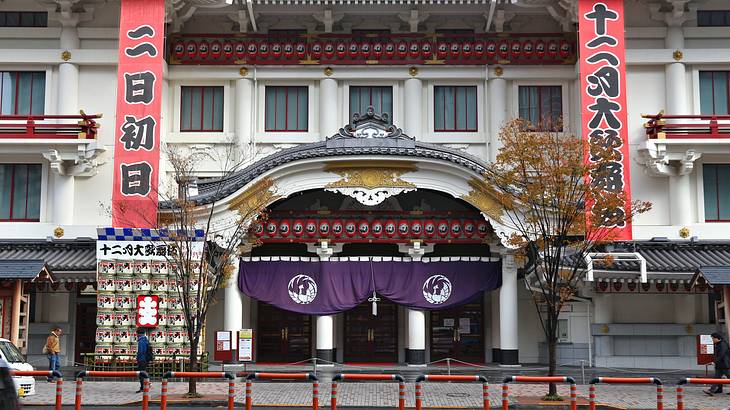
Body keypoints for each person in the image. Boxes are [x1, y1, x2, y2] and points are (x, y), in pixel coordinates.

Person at [136, 328, 150, 393]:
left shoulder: (141, 341)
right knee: (144, 373)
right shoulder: (146, 340)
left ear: (139, 334)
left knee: (141, 374)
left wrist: (137, 358)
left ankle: (143, 387)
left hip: (142, 359)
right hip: (145, 359)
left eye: (137, 334)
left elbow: (141, 351)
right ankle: (146, 384)